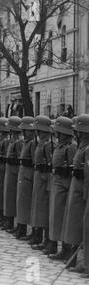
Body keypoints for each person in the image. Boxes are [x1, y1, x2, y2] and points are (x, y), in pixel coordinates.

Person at [61, 114, 89, 271]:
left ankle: (86, 264)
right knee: (73, 222)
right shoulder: (81, 147)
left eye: (79, 131)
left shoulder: (87, 149)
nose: (76, 134)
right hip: (76, 187)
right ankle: (78, 260)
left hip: (83, 188)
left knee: (85, 226)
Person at [48, 116, 77, 260]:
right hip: (57, 182)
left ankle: (67, 249)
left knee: (66, 218)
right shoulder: (59, 146)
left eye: (58, 132)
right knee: (57, 216)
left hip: (65, 184)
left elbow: (73, 168)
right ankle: (62, 248)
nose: (56, 135)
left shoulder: (71, 147)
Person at [30, 115, 54, 250]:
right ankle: (40, 236)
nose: (37, 133)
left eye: (38, 130)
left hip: (46, 177)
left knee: (45, 208)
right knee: (39, 207)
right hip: (39, 175)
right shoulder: (40, 143)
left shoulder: (49, 145)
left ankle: (47, 239)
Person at [15, 116, 37, 239]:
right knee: (21, 202)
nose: (23, 132)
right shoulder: (26, 143)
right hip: (23, 173)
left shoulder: (33, 144)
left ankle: (24, 228)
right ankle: (21, 226)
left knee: (26, 203)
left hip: (29, 175)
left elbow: (35, 162)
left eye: (26, 130)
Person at [3, 116, 23, 232]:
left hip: (15, 171)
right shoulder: (12, 141)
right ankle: (8, 220)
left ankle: (13, 223)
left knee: (12, 197)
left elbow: (20, 157)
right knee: (8, 196)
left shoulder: (19, 142)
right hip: (10, 169)